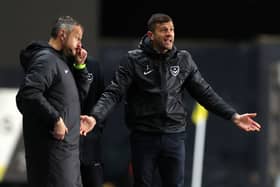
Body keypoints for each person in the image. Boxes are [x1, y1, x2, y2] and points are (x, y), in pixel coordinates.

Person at [80, 13, 261, 187]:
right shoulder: (133, 60)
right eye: (164, 30)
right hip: (144, 137)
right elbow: (114, 92)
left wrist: (233, 116)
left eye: (172, 30)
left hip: (174, 136)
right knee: (142, 184)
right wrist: (95, 117)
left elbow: (205, 93)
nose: (169, 34)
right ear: (151, 35)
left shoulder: (183, 60)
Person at [16, 16, 93, 187]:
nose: (80, 44)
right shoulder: (46, 60)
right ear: (62, 35)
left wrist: (80, 67)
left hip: (67, 158)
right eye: (77, 38)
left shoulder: (61, 63)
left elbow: (78, 97)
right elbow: (28, 93)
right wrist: (55, 119)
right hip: (53, 159)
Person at [80, 56, 105, 187]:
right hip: (65, 139)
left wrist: (97, 125)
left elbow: (103, 100)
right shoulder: (59, 64)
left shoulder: (94, 66)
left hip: (91, 140)